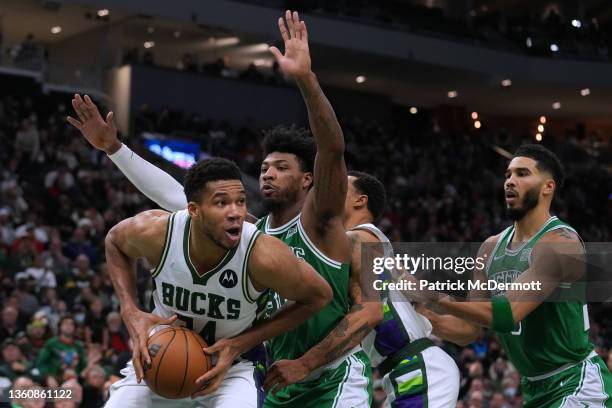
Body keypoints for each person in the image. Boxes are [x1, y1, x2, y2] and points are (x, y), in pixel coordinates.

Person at [68, 10, 369, 407]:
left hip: (325, 374)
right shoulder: (248, 230)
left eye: (281, 167)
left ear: (308, 179)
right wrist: (115, 150)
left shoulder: (329, 224)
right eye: (263, 168)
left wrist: (305, 79)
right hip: (275, 372)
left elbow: (331, 150)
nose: (267, 174)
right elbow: (176, 197)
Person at [95, 157, 332, 407]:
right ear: (194, 211)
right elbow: (114, 241)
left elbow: (323, 297)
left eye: (241, 202)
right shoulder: (158, 232)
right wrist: (130, 310)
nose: (237, 213)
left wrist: (242, 342)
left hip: (235, 367)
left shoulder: (371, 245)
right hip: (160, 356)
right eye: (222, 203)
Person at [422, 144, 612, 407]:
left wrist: (432, 296)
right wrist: (422, 316)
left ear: (548, 187)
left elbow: (507, 313)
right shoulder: (490, 248)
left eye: (522, 174)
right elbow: (468, 331)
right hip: (534, 388)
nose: (510, 181)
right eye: (508, 175)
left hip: (576, 382)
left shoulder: (560, 241)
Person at [264, 171, 459, 406]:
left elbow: (371, 311)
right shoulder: (353, 248)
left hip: (419, 367)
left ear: (360, 200)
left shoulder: (363, 237)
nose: (331, 192)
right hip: (398, 372)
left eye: (340, 187)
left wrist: (304, 363)